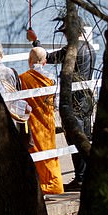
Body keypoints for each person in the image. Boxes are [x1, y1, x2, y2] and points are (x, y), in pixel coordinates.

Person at [45, 20, 96, 190]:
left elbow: (49, 58)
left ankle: (81, 178)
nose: (65, 36)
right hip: (86, 99)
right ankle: (87, 176)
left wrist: (35, 43)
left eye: (65, 33)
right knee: (86, 138)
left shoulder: (72, 50)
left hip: (74, 101)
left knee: (75, 140)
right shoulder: (90, 48)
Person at [19, 47, 64, 194]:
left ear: (29, 60)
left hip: (32, 121)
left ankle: (40, 184)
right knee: (50, 150)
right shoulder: (51, 77)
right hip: (48, 119)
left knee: (35, 151)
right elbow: (56, 102)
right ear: (45, 61)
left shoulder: (23, 78)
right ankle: (53, 183)